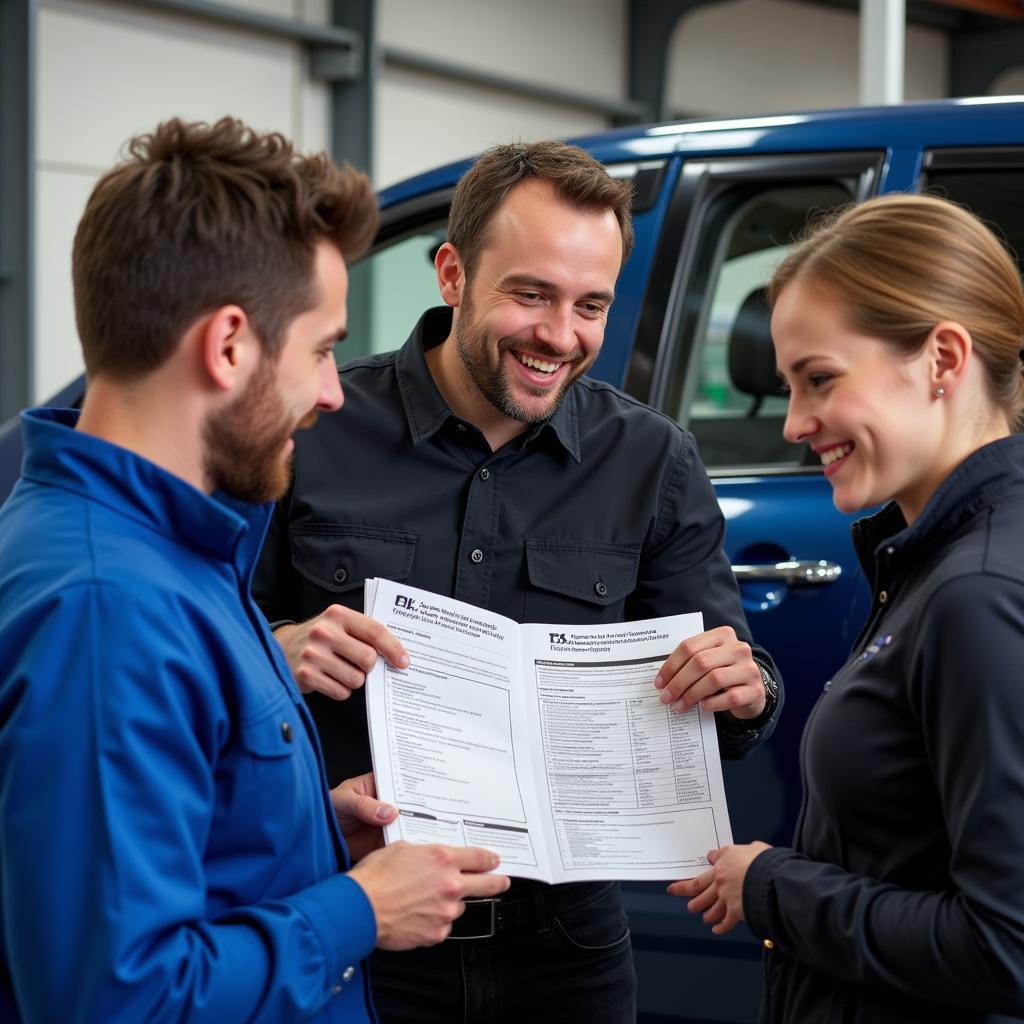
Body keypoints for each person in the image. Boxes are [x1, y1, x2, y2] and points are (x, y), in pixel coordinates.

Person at [253, 140, 783, 1023]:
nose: (560, 336)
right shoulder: (313, 430)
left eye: (591, 306)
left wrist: (745, 688)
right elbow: (200, 669)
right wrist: (274, 654)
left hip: (564, 949)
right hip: (359, 921)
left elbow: (736, 696)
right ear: (453, 273)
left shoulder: (651, 460)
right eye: (531, 294)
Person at [0, 117, 511, 1024]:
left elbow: (176, 847)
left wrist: (312, 836)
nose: (330, 391)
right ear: (228, 344)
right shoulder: (106, 610)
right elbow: (117, 1000)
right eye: (320, 349)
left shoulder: (178, 550)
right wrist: (358, 910)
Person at [672, 193, 1024, 1023]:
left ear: (943, 358)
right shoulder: (937, 561)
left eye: (820, 380)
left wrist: (771, 886)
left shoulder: (976, 594)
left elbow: (1004, 948)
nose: (795, 422)